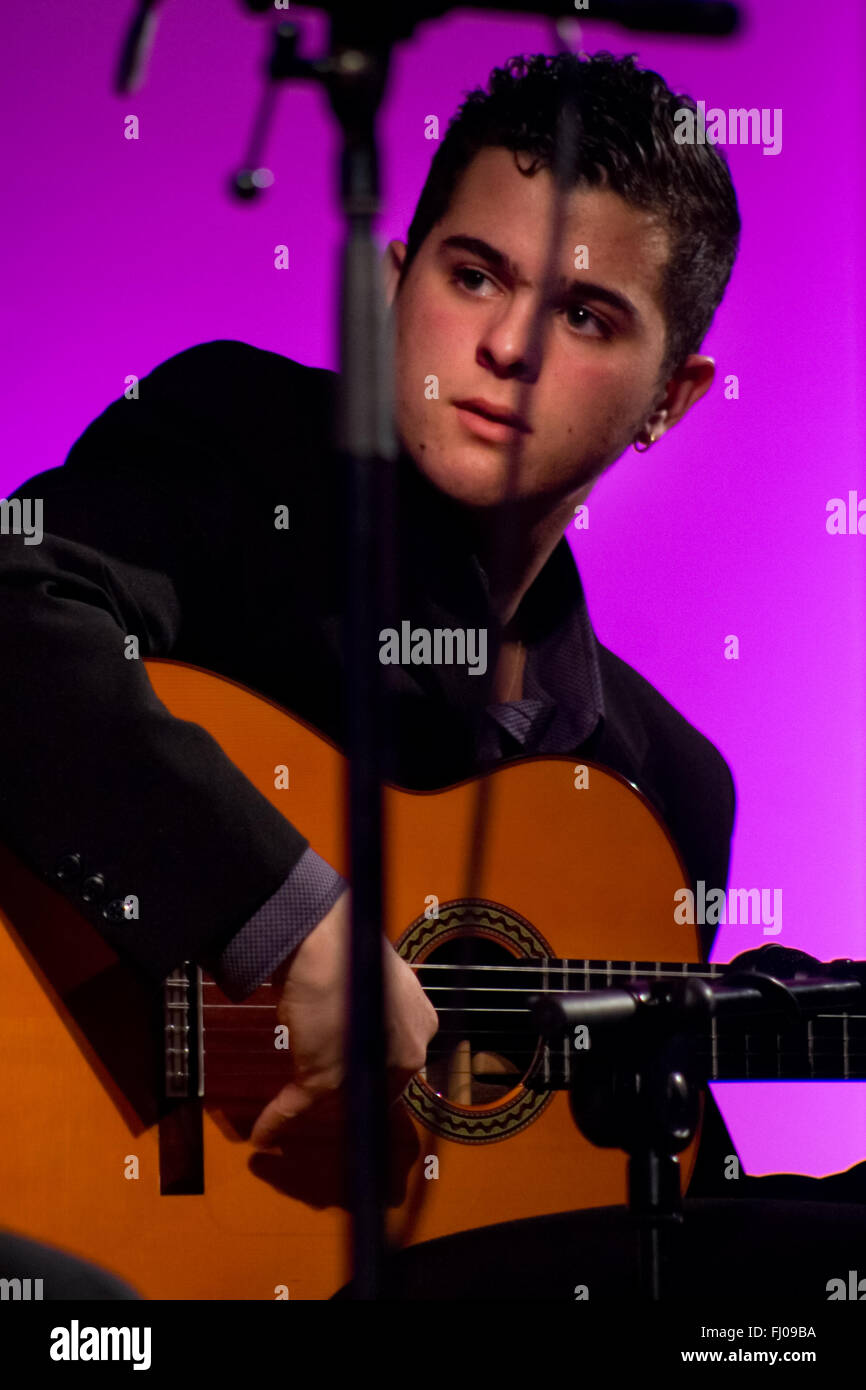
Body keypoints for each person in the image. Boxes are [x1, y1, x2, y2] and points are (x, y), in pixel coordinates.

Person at [2, 50, 857, 1300]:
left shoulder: (667, 787)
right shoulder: (239, 447)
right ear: (396, 284)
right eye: (473, 277)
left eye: (584, 315)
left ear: (669, 398)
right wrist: (289, 925)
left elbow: (602, 1192)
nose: (507, 344)